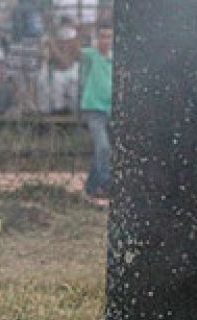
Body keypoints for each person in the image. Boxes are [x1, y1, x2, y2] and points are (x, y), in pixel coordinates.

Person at [78, 23, 112, 206]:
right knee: (103, 147)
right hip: (94, 108)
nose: (106, 41)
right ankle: (106, 183)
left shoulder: (114, 59)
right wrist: (80, 32)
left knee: (101, 150)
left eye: (109, 37)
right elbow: (78, 51)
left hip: (111, 109)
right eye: (102, 37)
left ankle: (90, 188)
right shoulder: (91, 55)